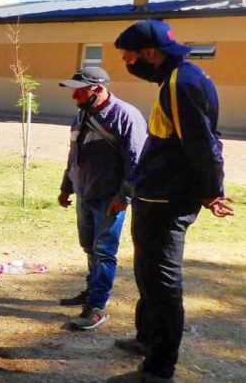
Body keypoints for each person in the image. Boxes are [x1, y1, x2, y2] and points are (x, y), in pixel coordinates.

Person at [109, 19, 234, 382]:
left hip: (168, 200)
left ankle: (160, 367)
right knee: (147, 274)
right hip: (153, 195)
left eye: (130, 57)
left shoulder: (183, 83)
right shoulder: (179, 79)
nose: (127, 64)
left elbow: (204, 144)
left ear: (151, 53)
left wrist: (212, 191)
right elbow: (165, 142)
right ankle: (147, 337)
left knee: (163, 282)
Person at [57, 67, 147, 330]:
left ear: (97, 89)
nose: (74, 95)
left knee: (104, 251)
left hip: (110, 198)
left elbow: (136, 161)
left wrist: (124, 197)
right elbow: (74, 154)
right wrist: (66, 186)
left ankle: (97, 307)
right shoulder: (81, 114)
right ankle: (91, 289)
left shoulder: (126, 115)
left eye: (80, 90)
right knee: (89, 246)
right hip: (85, 193)